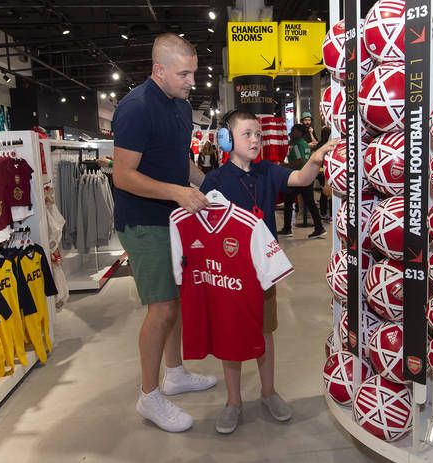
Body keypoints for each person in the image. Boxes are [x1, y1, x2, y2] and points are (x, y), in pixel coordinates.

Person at [200, 110, 338, 434]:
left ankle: (268, 392)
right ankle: (233, 401)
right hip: (229, 274)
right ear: (226, 139)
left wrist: (316, 157)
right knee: (230, 335)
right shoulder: (215, 180)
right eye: (247, 134)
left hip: (262, 270)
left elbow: (301, 179)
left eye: (258, 135)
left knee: (265, 332)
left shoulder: (267, 171)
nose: (255, 140)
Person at [111, 32, 217, 434]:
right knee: (163, 307)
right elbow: (123, 176)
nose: (192, 81)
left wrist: (209, 184)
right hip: (143, 220)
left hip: (172, 218)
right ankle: (149, 394)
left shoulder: (180, 106)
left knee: (176, 300)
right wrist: (177, 192)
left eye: (194, 72)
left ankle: (174, 373)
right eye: (184, 73)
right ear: (159, 70)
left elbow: (179, 162)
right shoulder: (136, 108)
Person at [278, 124, 328, 239]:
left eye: (294, 131)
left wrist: (285, 165)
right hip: (307, 175)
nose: (291, 132)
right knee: (309, 202)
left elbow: (300, 161)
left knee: (289, 201)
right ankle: (319, 228)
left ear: (300, 132)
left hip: (298, 176)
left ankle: (287, 228)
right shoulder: (305, 143)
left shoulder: (297, 144)